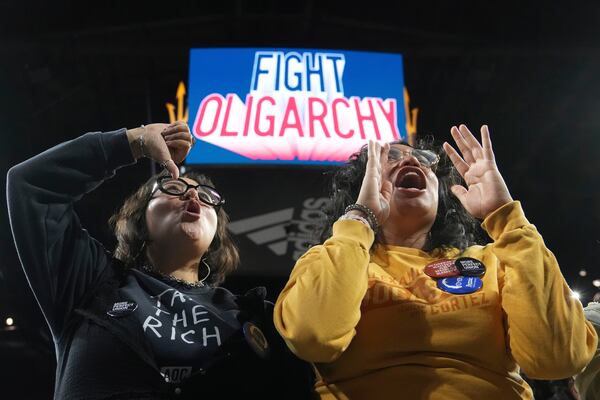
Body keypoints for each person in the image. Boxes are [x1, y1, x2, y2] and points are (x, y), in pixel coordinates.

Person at [273, 124, 598, 399]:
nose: (410, 160)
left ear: (443, 193)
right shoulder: (329, 259)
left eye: (423, 159)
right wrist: (360, 217)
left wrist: (507, 218)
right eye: (391, 157)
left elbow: (558, 357)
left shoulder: (493, 260)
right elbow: (312, 337)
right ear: (364, 185)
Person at [7, 122, 312, 399]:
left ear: (216, 234)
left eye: (207, 197)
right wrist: (133, 142)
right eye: (174, 188)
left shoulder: (253, 316)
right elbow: (32, 187)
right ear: (140, 218)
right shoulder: (88, 281)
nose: (194, 197)